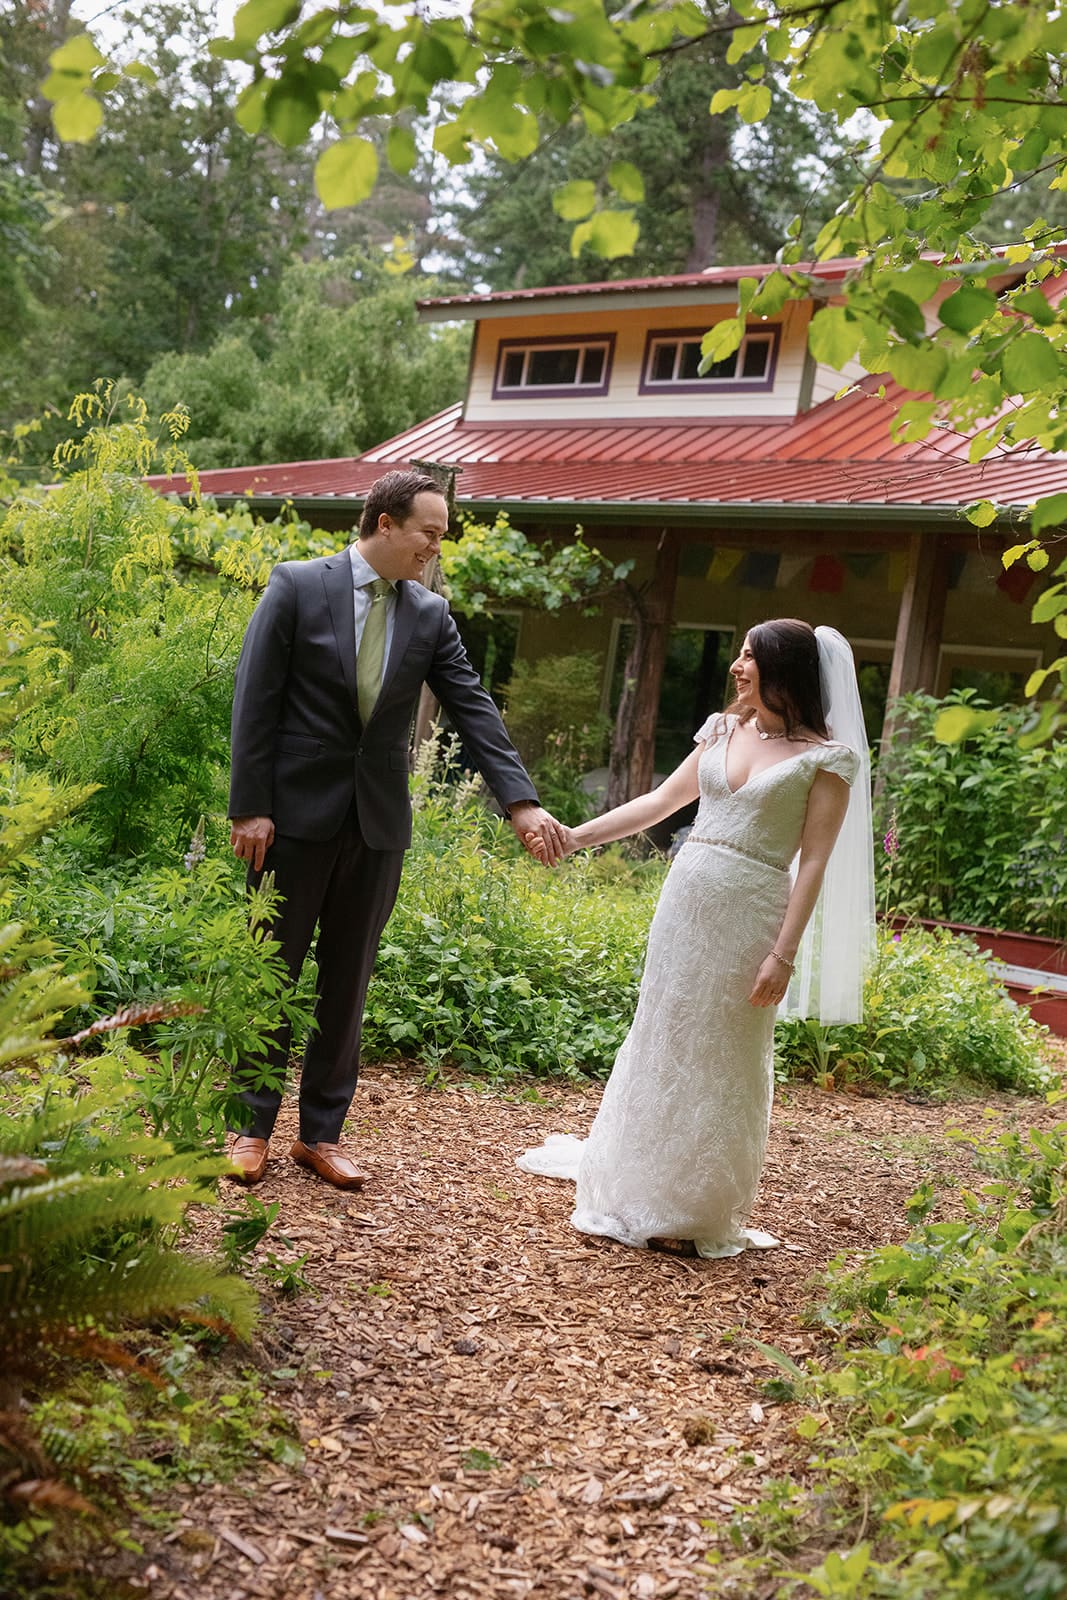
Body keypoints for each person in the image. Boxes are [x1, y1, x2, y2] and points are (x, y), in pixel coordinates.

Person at [227, 470, 565, 1189]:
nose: (435, 550)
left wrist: (520, 802)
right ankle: (248, 1126)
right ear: (384, 523)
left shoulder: (430, 614)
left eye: (439, 538)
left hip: (377, 824)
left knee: (346, 984)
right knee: (271, 971)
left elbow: (472, 708)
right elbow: (254, 701)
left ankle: (319, 1135)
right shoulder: (294, 585)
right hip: (288, 818)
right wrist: (249, 806)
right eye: (429, 534)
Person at [517, 620, 874, 1259]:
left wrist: (782, 954)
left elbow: (814, 862)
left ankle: (694, 1204)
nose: (737, 665)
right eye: (738, 652)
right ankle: (640, 1180)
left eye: (749, 656)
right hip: (685, 906)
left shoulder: (827, 759)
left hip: (751, 915)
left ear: (782, 670)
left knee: (721, 1049)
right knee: (665, 1029)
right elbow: (659, 802)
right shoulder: (723, 728)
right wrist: (574, 837)